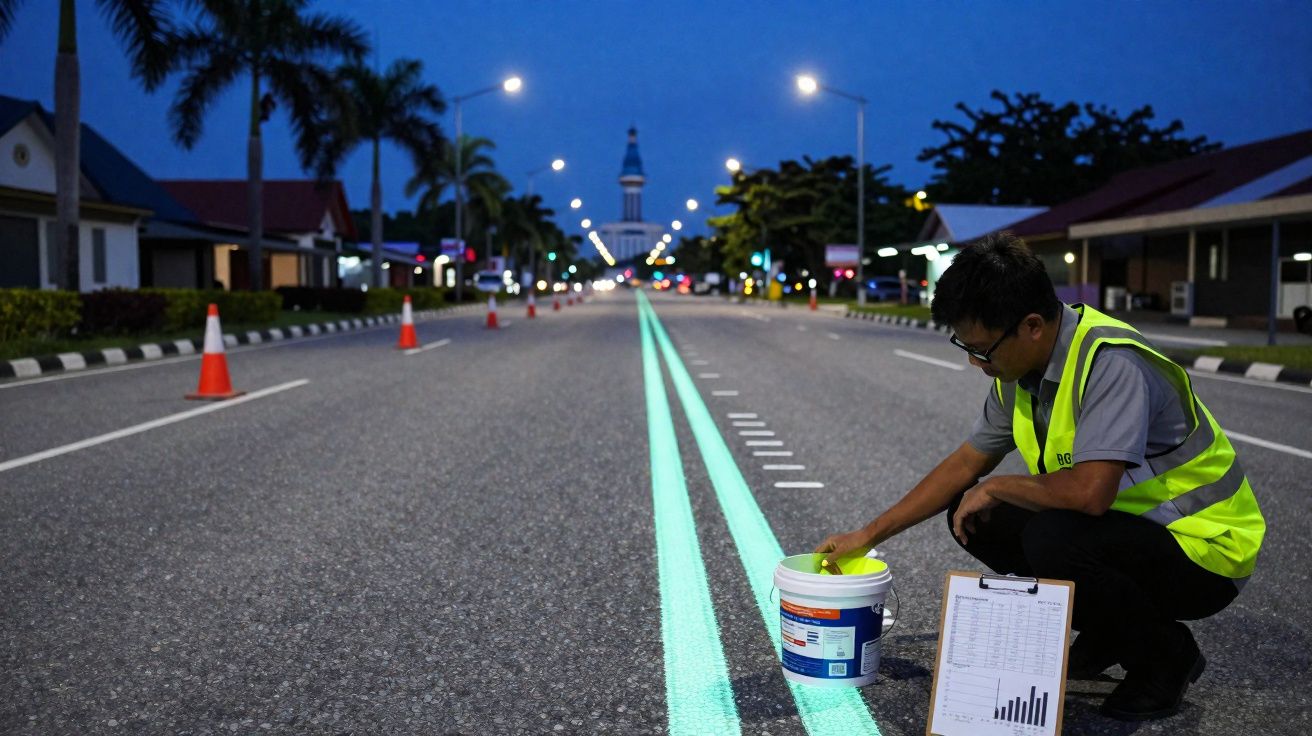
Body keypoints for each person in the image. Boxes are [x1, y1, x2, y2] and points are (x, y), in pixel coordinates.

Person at [815, 232, 1264, 721]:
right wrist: (867, 536)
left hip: (1205, 551)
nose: (974, 362)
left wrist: (998, 485)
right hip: (1129, 533)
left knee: (1050, 534)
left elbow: (1089, 495)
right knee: (977, 517)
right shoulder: (1020, 372)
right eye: (965, 346)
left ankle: (1166, 656)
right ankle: (1113, 628)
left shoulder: (1110, 363)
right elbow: (965, 463)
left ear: (1031, 326)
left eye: (982, 349)